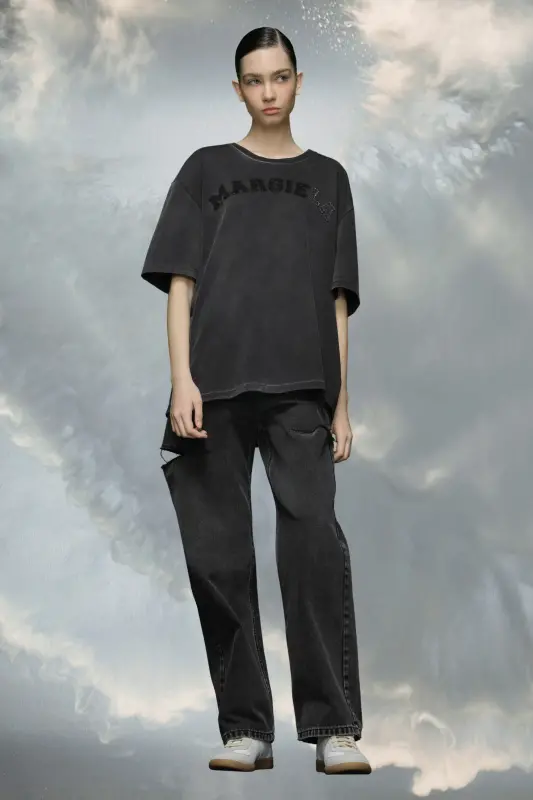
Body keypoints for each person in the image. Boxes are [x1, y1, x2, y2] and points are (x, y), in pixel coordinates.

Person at [141, 26, 371, 776]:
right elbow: (180, 283)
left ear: (298, 82)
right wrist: (181, 379)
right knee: (218, 558)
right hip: (212, 387)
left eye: (279, 77)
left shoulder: (329, 179)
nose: (268, 91)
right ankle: (246, 728)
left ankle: (333, 728)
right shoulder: (205, 169)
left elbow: (338, 300)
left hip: (301, 388)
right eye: (254, 79)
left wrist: (340, 403)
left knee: (312, 548)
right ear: (237, 89)